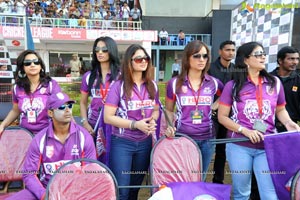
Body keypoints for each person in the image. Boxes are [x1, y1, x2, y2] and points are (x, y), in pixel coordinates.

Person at [218, 41, 300, 199]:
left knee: (269, 193)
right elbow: (222, 117)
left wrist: (289, 124)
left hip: (267, 145)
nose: (263, 57)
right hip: (239, 145)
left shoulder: (274, 83)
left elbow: (280, 110)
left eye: (263, 54)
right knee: (242, 193)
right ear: (245, 60)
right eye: (258, 54)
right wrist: (245, 131)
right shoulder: (232, 86)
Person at [6, 92, 97, 200]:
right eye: (62, 107)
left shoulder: (84, 137)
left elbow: (90, 172)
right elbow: (29, 174)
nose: (68, 110)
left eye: (70, 106)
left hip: (76, 191)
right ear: (50, 113)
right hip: (47, 189)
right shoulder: (39, 140)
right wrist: (44, 195)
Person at [104, 44, 159, 200]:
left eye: (146, 58)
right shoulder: (118, 86)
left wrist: (151, 121)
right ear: (129, 61)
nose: (143, 62)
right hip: (122, 143)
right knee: (122, 191)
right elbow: (108, 117)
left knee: (135, 189)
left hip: (145, 143)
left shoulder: (152, 85)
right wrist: (135, 124)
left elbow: (155, 110)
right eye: (138, 59)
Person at [165, 40, 224, 180]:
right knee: (184, 178)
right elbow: (168, 110)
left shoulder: (214, 82)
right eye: (197, 56)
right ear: (187, 58)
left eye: (205, 56)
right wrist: (169, 126)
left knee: (200, 178)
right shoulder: (174, 83)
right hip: (183, 138)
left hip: (207, 139)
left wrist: (215, 106)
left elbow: (228, 96)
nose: (202, 59)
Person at [0, 50, 62, 135]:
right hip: (25, 134)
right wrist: (2, 125)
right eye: (27, 63)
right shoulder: (17, 88)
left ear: (41, 66)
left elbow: (62, 108)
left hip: (48, 134)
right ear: (22, 68)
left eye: (36, 62)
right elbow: (15, 110)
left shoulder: (51, 85)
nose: (32, 65)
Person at [80, 36, 120, 163]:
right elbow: (83, 102)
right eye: (97, 49)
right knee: (94, 162)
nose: (100, 52)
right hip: (93, 126)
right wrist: (85, 122)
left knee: (113, 161)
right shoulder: (88, 76)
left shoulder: (121, 76)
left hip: (115, 126)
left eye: (104, 49)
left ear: (112, 51)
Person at [208, 40, 235, 184]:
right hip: (210, 116)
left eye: (233, 50)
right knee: (206, 147)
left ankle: (218, 182)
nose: (230, 52)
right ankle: (196, 180)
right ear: (220, 51)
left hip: (227, 116)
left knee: (222, 150)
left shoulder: (237, 70)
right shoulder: (210, 68)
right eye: (227, 49)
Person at [270, 46, 300, 132]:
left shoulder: (298, 81)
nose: (295, 62)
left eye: (297, 59)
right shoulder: (268, 79)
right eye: (291, 59)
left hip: (290, 127)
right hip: (268, 126)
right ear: (280, 61)